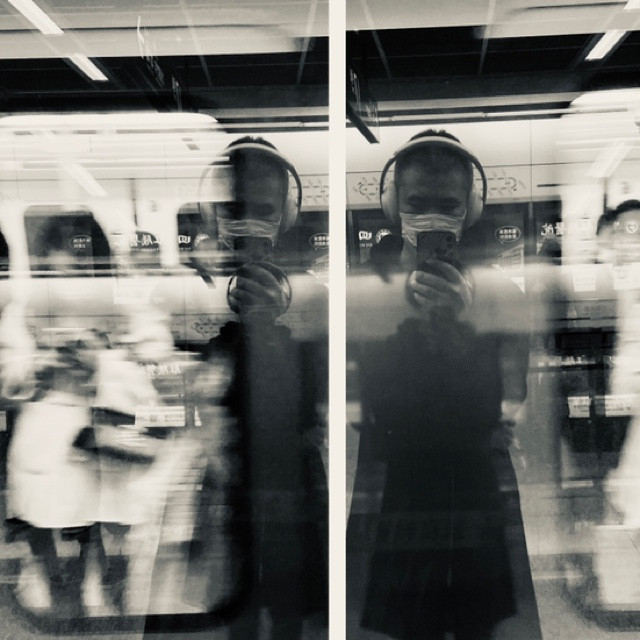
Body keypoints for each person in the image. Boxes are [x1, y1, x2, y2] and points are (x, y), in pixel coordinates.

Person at [347, 130, 539, 640]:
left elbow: (513, 394)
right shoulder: (363, 291)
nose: (432, 217)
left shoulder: (498, 291)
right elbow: (357, 399)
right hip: (398, 479)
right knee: (410, 625)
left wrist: (466, 326)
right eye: (417, 203)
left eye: (448, 205)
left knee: (479, 623)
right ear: (393, 206)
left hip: (473, 476)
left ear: (469, 209)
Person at [186, 137, 328, 639]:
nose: (247, 222)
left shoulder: (313, 296)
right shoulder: (197, 287)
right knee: (239, 594)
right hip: (236, 471)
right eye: (234, 209)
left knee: (289, 593)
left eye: (262, 209)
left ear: (285, 214)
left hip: (288, 471)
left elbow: (318, 395)